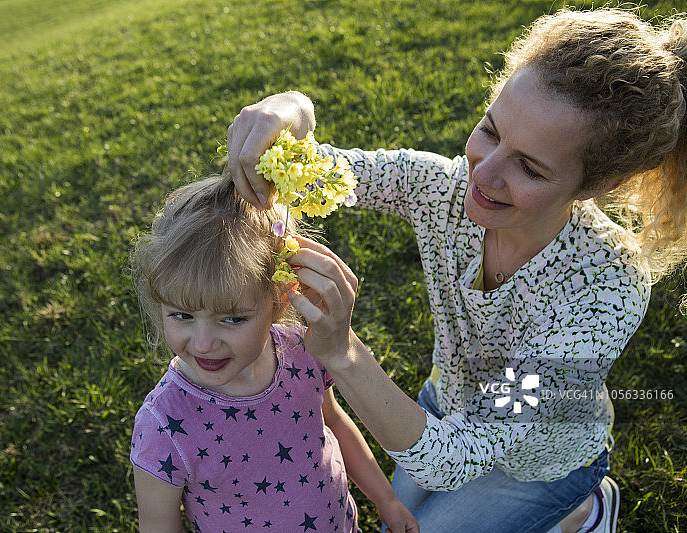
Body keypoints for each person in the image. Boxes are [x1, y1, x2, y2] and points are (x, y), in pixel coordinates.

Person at [224, 7, 687, 533]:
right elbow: (322, 172)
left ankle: (585, 508)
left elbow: (455, 458)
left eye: (529, 167)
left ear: (597, 186)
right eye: (490, 130)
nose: (483, 173)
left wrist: (341, 351)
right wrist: (288, 108)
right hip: (445, 402)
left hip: (540, 461)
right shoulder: (440, 188)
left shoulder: (608, 287)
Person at [128, 175, 418, 532]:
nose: (203, 343)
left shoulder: (303, 352)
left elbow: (334, 422)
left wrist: (386, 499)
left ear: (279, 299)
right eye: (182, 316)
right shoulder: (164, 425)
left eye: (232, 318)